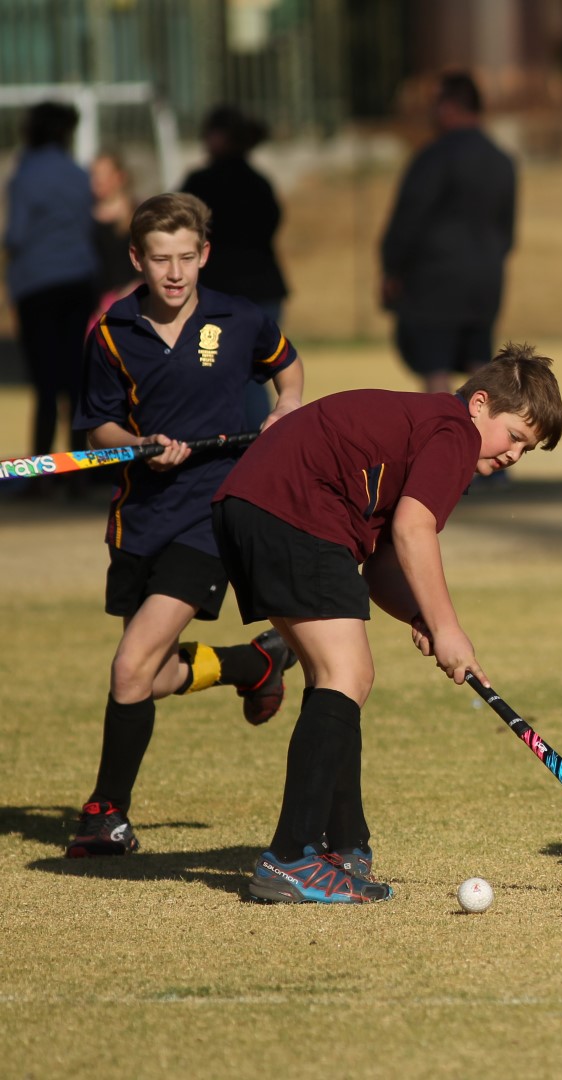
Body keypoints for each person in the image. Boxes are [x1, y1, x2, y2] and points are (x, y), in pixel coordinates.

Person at [212, 343, 562, 904]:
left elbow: (380, 564)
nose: (515, 454)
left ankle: (342, 845)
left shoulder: (428, 428)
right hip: (294, 507)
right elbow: (412, 529)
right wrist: (448, 629)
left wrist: (422, 615)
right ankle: (290, 859)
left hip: (251, 503)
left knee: (333, 675)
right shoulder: (455, 431)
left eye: (528, 448)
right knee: (347, 673)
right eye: (515, 436)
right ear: (479, 404)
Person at [66, 192, 305, 858]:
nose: (174, 273)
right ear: (136, 259)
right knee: (148, 676)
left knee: (129, 665)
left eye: (185, 258)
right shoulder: (112, 332)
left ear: (204, 255)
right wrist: (139, 445)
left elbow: (286, 367)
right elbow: (98, 425)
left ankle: (106, 814)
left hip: (210, 513)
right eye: (159, 259)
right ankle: (251, 663)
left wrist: (286, 407)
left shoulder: (238, 316)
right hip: (140, 517)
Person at [380, 72, 516, 395]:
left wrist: (392, 267)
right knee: (480, 370)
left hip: (435, 283)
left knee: (436, 370)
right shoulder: (501, 160)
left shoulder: (435, 156)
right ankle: (485, 427)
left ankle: (442, 429)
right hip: (485, 282)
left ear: (448, 107)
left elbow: (409, 218)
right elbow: (507, 231)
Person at [5, 101, 98, 497]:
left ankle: (40, 474)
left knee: (45, 382)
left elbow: (16, 235)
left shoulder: (25, 176)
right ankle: (77, 473)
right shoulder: (78, 174)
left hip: (38, 286)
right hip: (79, 281)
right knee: (75, 381)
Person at [181, 105, 290, 429]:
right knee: (255, 372)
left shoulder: (201, 183)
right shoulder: (259, 183)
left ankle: (247, 446)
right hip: (264, 289)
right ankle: (261, 445)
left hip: (221, 293)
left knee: (225, 375)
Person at [88, 151, 140, 322]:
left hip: (132, 302)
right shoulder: (84, 219)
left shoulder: (138, 215)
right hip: (95, 309)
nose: (98, 181)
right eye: (94, 175)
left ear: (120, 177)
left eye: (104, 175)